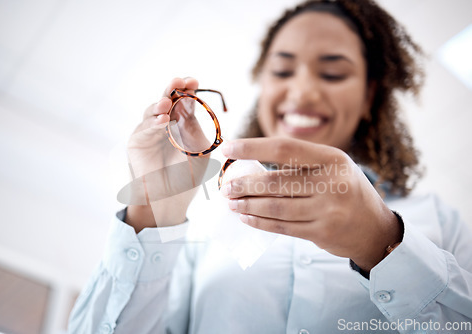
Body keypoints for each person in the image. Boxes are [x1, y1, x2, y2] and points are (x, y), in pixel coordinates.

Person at [68, 0, 472, 333]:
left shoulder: (440, 225)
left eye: (332, 72)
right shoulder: (205, 231)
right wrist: (157, 207)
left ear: (369, 96)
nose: (301, 91)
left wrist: (383, 245)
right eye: (281, 71)